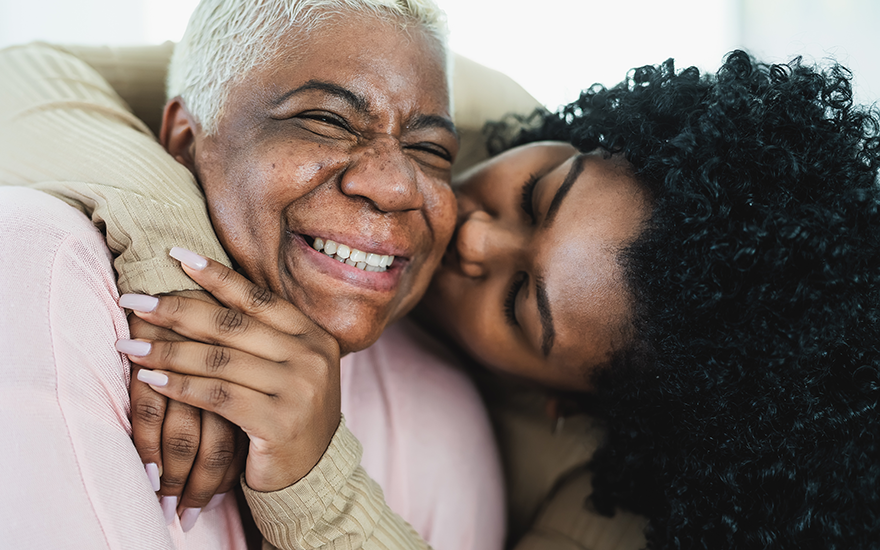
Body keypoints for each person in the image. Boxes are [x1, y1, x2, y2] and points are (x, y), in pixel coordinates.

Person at [121, 50, 880, 549]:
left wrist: (314, 475)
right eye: (538, 193)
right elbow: (40, 75)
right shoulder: (456, 119)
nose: (477, 238)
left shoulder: (602, 511)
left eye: (522, 302)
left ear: (562, 403)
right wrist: (171, 262)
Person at [0, 1, 508, 549]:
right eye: (327, 121)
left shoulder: (443, 410)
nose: (396, 187)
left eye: (430, 149)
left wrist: (316, 495)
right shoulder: (44, 272)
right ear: (185, 139)